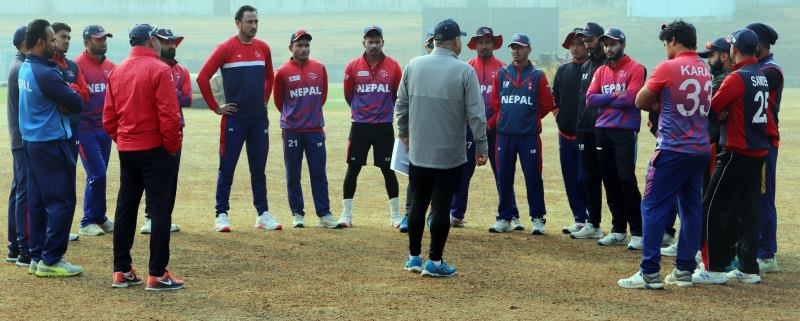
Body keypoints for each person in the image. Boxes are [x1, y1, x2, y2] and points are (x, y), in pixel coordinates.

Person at [618, 20, 710, 289]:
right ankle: (684, 270)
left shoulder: (668, 67)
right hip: (699, 149)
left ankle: (649, 272)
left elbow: (639, 100)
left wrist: (661, 104)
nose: (665, 49)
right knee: (691, 208)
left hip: (672, 148)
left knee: (653, 206)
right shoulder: (704, 69)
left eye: (665, 44)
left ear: (672, 41)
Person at [397, 19, 488, 277]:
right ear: (456, 41)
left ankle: (414, 257)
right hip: (450, 153)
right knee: (441, 205)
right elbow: (476, 115)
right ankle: (435, 262)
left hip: (419, 152)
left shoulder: (413, 66)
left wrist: (403, 133)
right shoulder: (464, 71)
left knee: (418, 204)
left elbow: (400, 105)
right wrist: (482, 145)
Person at [692, 29, 779, 285]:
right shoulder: (760, 76)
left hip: (735, 151)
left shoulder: (736, 77)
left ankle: (714, 268)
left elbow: (711, 108)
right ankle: (748, 268)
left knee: (711, 205)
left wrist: (721, 111)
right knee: (749, 210)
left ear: (735, 50)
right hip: (758, 152)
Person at [104, 23, 184, 291]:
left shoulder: (117, 70)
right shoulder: (160, 69)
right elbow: (169, 116)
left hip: (128, 149)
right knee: (160, 210)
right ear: (152, 41)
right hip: (157, 150)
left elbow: (109, 118)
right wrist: (172, 147)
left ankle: (121, 270)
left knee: (126, 208)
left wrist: (124, 139)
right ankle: (157, 274)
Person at [197, 5, 281, 232]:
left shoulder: (263, 48)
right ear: (238, 23)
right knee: (227, 167)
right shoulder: (225, 48)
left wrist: (265, 99)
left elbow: (270, 77)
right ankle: (221, 214)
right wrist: (216, 107)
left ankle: (263, 214)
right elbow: (203, 77)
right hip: (234, 120)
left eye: (256, 22)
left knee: (258, 169)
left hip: (258, 120)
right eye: (249, 22)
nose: (253, 26)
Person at [19, 19, 85, 277]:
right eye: (52, 39)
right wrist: (67, 97)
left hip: (33, 143)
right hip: (50, 143)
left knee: (38, 200)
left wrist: (64, 98)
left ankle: (37, 256)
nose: (56, 43)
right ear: (40, 42)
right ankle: (52, 259)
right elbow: (77, 102)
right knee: (62, 201)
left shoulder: (27, 67)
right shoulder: (46, 72)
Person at [661, 36, 732, 258]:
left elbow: (707, 104)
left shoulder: (724, 79)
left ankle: (701, 246)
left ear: (724, 55)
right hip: (705, 142)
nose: (708, 61)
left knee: (704, 198)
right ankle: (690, 243)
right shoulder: (714, 78)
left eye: (711, 56)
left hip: (712, 143)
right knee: (694, 197)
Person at [486, 33, 556, 235]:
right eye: (513, 47)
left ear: (529, 50)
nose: (516, 51)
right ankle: (504, 217)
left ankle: (537, 218)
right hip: (505, 135)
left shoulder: (538, 76)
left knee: (533, 177)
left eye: (520, 47)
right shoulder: (501, 74)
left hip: (529, 136)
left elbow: (545, 105)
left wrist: (529, 119)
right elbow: (495, 102)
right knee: (504, 176)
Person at [585, 28, 645, 249]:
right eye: (606, 44)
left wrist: (607, 99)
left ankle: (638, 232)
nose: (609, 48)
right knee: (609, 179)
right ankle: (618, 229)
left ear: (623, 44)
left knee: (626, 179)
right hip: (602, 129)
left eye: (613, 44)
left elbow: (631, 98)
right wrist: (612, 95)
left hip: (625, 131)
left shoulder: (636, 68)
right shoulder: (601, 71)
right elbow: (590, 100)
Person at [338, 25, 402, 228]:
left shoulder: (393, 66)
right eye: (370, 41)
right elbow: (349, 95)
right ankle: (346, 214)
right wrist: (361, 111)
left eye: (377, 41)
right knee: (353, 169)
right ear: (363, 42)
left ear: (383, 42)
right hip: (360, 127)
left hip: (384, 127)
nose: (373, 45)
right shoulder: (352, 66)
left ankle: (395, 215)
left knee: (388, 170)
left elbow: (397, 95)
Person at [273, 30, 336, 228]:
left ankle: (324, 214)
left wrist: (312, 116)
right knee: (293, 174)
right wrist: (293, 116)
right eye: (299, 45)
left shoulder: (319, 68)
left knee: (319, 174)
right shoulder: (282, 71)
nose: (303, 49)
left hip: (315, 130)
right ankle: (298, 214)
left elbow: (322, 96)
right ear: (291, 48)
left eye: (307, 45)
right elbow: (278, 101)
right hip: (292, 130)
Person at [569, 22, 623, 241]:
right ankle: (593, 224)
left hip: (605, 129)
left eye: (590, 40)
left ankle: (618, 226)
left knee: (611, 178)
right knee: (589, 177)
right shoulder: (586, 65)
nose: (587, 44)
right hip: (585, 129)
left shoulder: (608, 65)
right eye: (585, 40)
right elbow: (585, 100)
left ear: (600, 39)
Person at [463, 26, 519, 229]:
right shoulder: (467, 68)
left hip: (496, 128)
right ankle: (456, 213)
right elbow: (460, 101)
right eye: (480, 42)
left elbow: (506, 103)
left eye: (487, 42)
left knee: (502, 172)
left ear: (493, 44)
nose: (484, 46)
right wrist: (473, 123)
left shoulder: (504, 70)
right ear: (475, 45)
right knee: (464, 170)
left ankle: (512, 215)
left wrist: (489, 123)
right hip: (469, 128)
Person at [140, 27, 187, 235]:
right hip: (153, 129)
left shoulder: (181, 71)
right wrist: (172, 93)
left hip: (176, 128)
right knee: (152, 177)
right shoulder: (152, 67)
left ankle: (163, 217)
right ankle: (150, 217)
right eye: (167, 42)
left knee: (171, 177)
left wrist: (170, 93)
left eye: (173, 42)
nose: (171, 46)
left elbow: (186, 98)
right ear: (155, 43)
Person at [746, 23, 783, 274]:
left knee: (762, 195)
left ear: (758, 44)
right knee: (751, 195)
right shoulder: (760, 68)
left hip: (765, 141)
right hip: (752, 139)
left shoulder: (770, 71)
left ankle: (767, 253)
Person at [74, 24, 115, 236]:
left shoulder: (111, 66)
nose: (103, 42)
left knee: (101, 175)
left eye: (104, 39)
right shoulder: (76, 66)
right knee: (96, 174)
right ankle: (86, 220)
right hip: (85, 129)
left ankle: (100, 217)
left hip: (105, 129)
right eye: (99, 39)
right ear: (87, 42)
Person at [552, 28, 589, 234]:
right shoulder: (563, 70)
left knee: (586, 177)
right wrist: (558, 114)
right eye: (572, 44)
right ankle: (579, 218)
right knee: (569, 177)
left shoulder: (595, 69)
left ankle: (593, 219)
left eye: (580, 43)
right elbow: (554, 97)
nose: (575, 48)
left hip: (587, 135)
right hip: (564, 134)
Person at [398, 29, 435, 233]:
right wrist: (404, 131)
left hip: (441, 132)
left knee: (441, 177)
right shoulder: (414, 67)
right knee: (416, 176)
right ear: (426, 45)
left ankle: (434, 215)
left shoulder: (453, 68)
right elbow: (402, 102)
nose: (433, 47)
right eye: (430, 43)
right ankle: (408, 214)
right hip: (418, 131)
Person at [6, 26, 30, 266]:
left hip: (18, 138)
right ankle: (23, 247)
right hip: (24, 140)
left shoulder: (17, 64)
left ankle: (15, 245)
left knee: (18, 191)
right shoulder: (22, 67)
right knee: (24, 192)